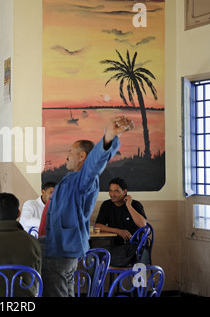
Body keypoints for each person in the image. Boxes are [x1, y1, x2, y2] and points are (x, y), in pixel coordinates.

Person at [38, 115, 134, 297]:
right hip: (57, 246)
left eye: (70, 151)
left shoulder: (85, 179)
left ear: (82, 156)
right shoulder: (72, 178)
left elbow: (94, 165)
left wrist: (109, 138)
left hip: (61, 249)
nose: (66, 155)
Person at [95, 177, 147, 246]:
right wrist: (118, 231)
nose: (112, 194)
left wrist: (128, 205)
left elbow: (143, 225)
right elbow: (98, 226)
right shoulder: (106, 205)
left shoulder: (135, 204)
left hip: (135, 246)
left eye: (116, 191)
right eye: (110, 190)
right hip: (116, 246)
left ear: (124, 192)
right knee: (97, 254)